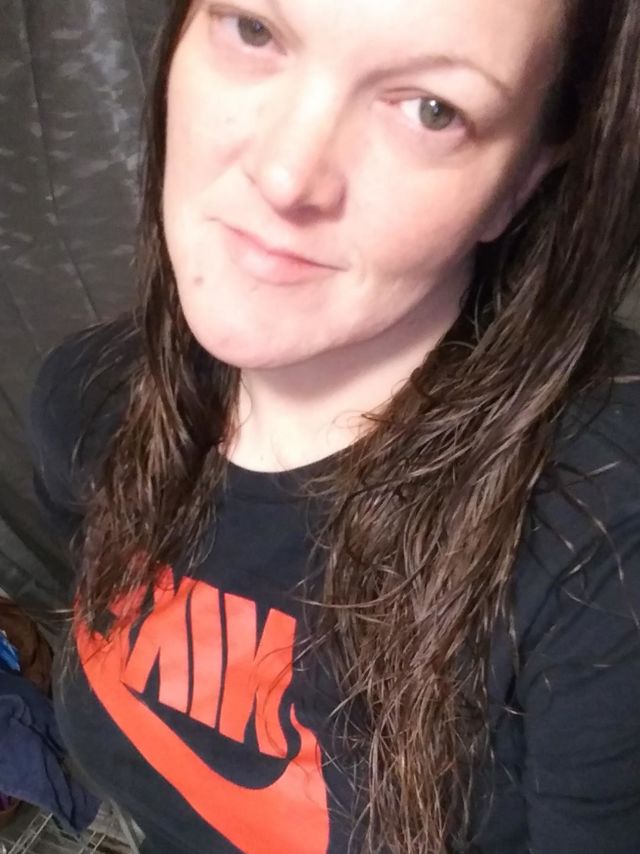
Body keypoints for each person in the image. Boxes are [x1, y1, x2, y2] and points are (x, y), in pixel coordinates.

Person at [27, 0, 640, 851]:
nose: (286, 175)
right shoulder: (91, 399)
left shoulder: (602, 545)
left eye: (432, 109)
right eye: (254, 31)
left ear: (523, 177)